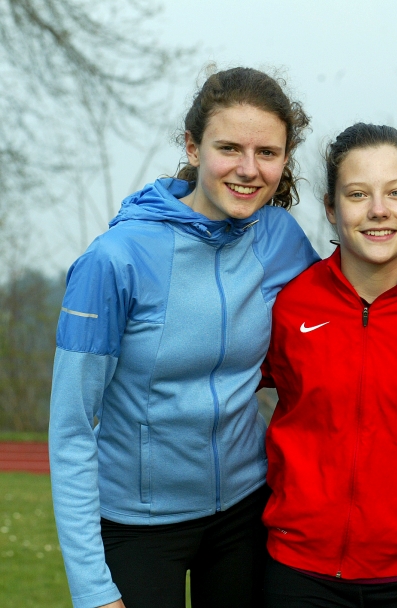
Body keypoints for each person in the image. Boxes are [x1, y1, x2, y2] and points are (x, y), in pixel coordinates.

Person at [49, 67, 319, 608]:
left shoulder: (279, 237)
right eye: (229, 148)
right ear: (194, 148)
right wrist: (92, 590)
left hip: (247, 510)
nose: (248, 169)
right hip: (138, 525)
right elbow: (72, 428)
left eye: (267, 152)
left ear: (285, 159)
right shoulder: (114, 261)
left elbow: (337, 320)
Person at [260, 123, 397, 607]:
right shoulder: (290, 304)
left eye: (396, 192)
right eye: (358, 194)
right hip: (297, 574)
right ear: (332, 209)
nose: (378, 210)